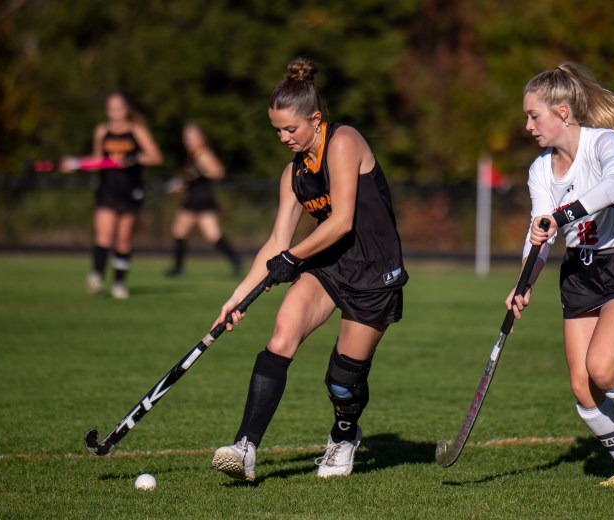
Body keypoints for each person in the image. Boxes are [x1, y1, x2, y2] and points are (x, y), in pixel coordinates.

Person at [210, 57, 408, 482]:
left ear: (315, 119)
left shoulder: (344, 141)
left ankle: (344, 436)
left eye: (291, 129)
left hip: (375, 273)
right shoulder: (293, 173)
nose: (283, 137)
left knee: (342, 379)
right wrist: (238, 296)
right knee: (281, 337)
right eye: (277, 130)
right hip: (328, 267)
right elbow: (277, 243)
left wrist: (291, 259)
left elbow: (342, 221)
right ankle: (245, 447)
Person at [508, 62, 614, 486]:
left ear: (562, 112)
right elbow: (539, 233)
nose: (527, 126)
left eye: (533, 115)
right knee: (584, 388)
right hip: (581, 271)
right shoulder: (540, 169)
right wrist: (523, 283)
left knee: (603, 368)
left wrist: (563, 215)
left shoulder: (604, 143)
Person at [62, 92, 163, 299]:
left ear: (126, 109)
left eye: (119, 107)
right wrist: (77, 164)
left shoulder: (137, 131)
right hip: (107, 189)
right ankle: (97, 277)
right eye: (111, 108)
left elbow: (155, 157)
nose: (115, 112)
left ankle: (119, 283)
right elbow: (97, 160)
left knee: (123, 241)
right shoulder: (102, 131)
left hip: (129, 190)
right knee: (103, 236)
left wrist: (133, 158)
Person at [165, 124, 242, 278]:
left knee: (211, 235)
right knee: (180, 232)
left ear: (202, 138)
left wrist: (200, 173)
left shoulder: (202, 154)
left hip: (202, 198)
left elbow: (218, 172)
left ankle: (236, 261)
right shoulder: (192, 155)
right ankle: (178, 268)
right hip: (194, 197)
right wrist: (182, 183)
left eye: (193, 137)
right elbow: (192, 177)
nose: (189, 141)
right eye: (186, 138)